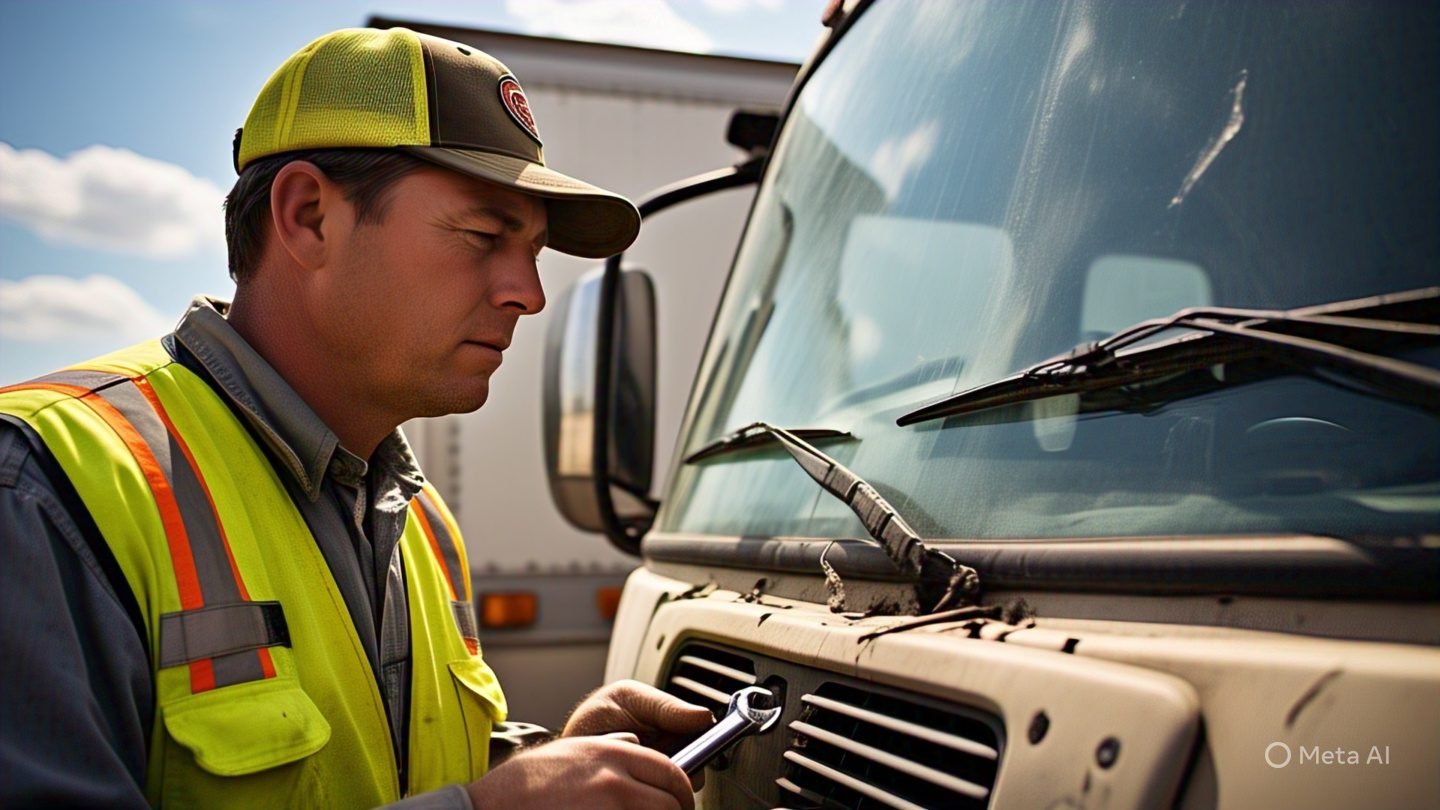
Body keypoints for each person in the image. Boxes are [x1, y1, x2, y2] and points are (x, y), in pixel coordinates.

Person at [0, 27, 712, 810]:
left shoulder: (419, 523)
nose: (528, 293)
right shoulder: (40, 487)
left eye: (535, 251)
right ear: (307, 217)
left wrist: (552, 759)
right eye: (483, 235)